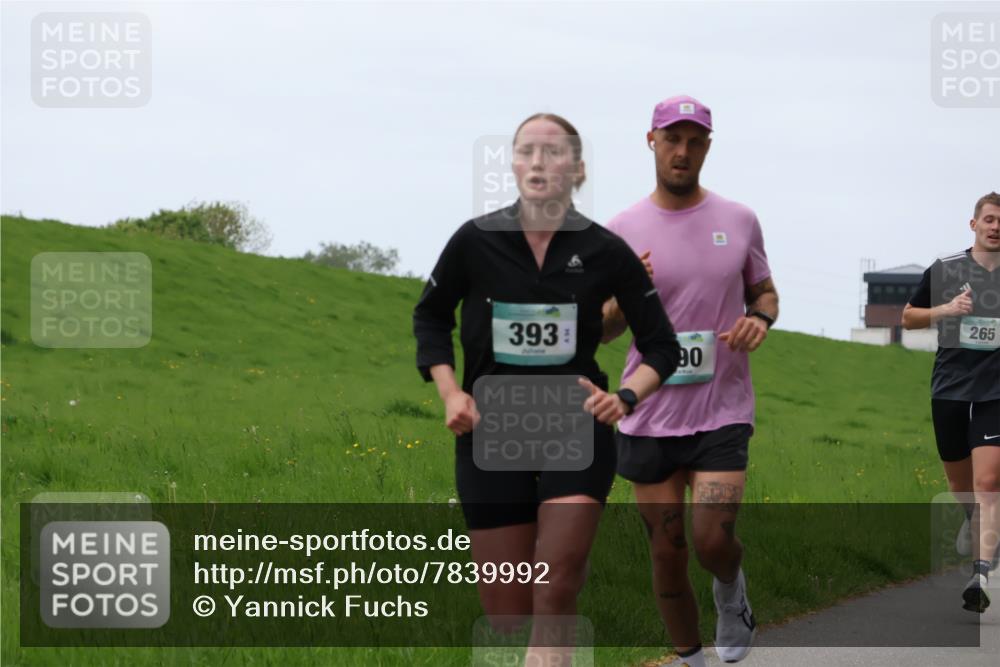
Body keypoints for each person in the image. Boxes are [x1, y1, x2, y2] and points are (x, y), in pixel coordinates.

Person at [413, 113, 680, 659]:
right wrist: (451, 392)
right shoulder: (474, 242)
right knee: (508, 614)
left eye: (554, 152)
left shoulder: (606, 250)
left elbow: (662, 347)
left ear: (577, 169)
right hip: (491, 429)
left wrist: (626, 396)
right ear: (512, 164)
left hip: (574, 425)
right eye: (527, 151)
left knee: (556, 584)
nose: (539, 162)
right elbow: (430, 318)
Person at [602, 95, 778, 666]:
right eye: (672, 139)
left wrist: (760, 319)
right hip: (650, 415)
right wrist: (628, 293)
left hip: (722, 409)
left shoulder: (739, 219)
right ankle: (689, 658)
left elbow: (764, 293)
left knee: (710, 538)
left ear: (707, 146)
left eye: (694, 141)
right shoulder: (621, 229)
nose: (683, 152)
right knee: (667, 553)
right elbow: (602, 331)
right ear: (650, 141)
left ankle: (731, 591)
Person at [902, 191, 1000, 614]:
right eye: (990, 219)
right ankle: (972, 525)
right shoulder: (945, 269)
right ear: (973, 224)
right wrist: (947, 309)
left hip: (995, 391)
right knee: (961, 487)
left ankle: (980, 573)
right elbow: (908, 317)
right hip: (950, 389)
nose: (996, 227)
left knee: (988, 483)